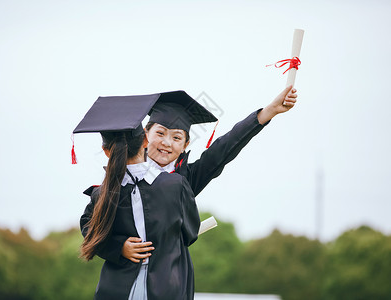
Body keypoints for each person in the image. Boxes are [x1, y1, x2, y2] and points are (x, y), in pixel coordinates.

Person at [122, 86, 298, 262]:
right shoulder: (124, 175)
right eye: (160, 133)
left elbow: (224, 147)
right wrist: (120, 247)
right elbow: (96, 225)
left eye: (177, 138)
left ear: (185, 144)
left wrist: (270, 111)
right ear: (145, 135)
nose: (167, 142)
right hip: (123, 276)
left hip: (169, 276)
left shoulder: (185, 180)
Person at [75, 95, 200, 300]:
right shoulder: (175, 185)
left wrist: (120, 247)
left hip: (115, 290)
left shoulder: (101, 193)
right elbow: (190, 233)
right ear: (144, 139)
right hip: (164, 287)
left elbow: (88, 230)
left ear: (106, 151)